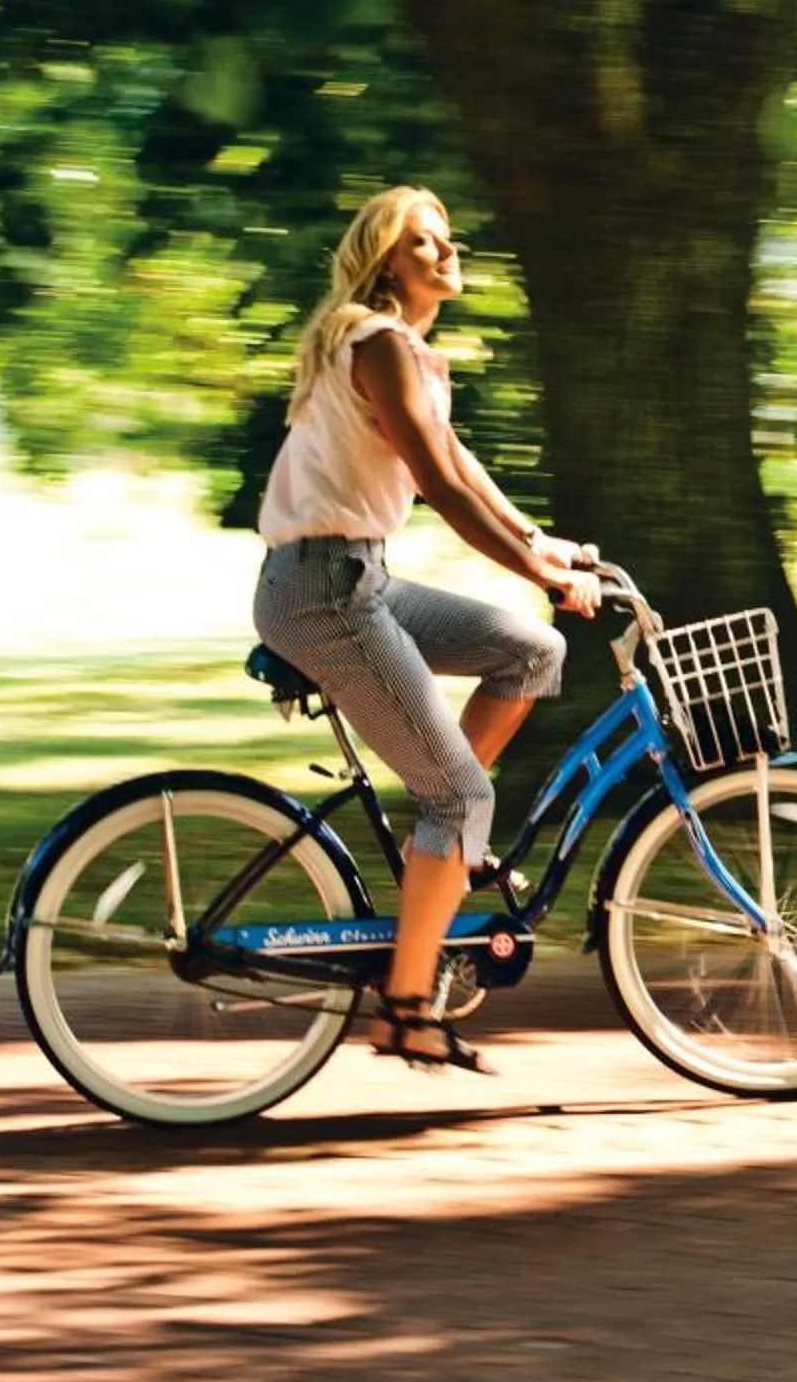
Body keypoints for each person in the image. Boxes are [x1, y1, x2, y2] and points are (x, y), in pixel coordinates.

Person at [252, 185, 599, 1069]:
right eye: (424, 244)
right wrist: (538, 573)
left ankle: (444, 846)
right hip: (323, 589)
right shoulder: (376, 343)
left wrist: (539, 539)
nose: (447, 254)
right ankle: (407, 1009)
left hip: (358, 577)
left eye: (450, 241)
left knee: (532, 650)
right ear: (385, 265)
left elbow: (461, 466)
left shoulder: (406, 353)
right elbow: (437, 487)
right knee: (461, 794)